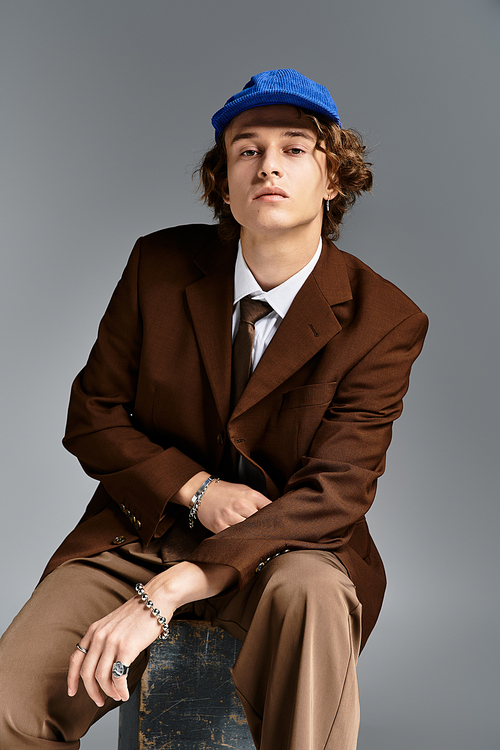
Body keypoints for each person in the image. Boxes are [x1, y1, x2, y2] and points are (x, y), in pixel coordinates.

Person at [0, 69, 428, 749]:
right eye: (247, 150)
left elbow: (337, 491)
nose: (269, 167)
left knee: (311, 597)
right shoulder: (158, 265)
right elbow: (94, 416)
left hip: (293, 550)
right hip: (147, 532)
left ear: (335, 178)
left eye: (295, 149)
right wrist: (195, 491)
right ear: (224, 183)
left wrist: (168, 594)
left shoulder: (385, 320)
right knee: (10, 695)